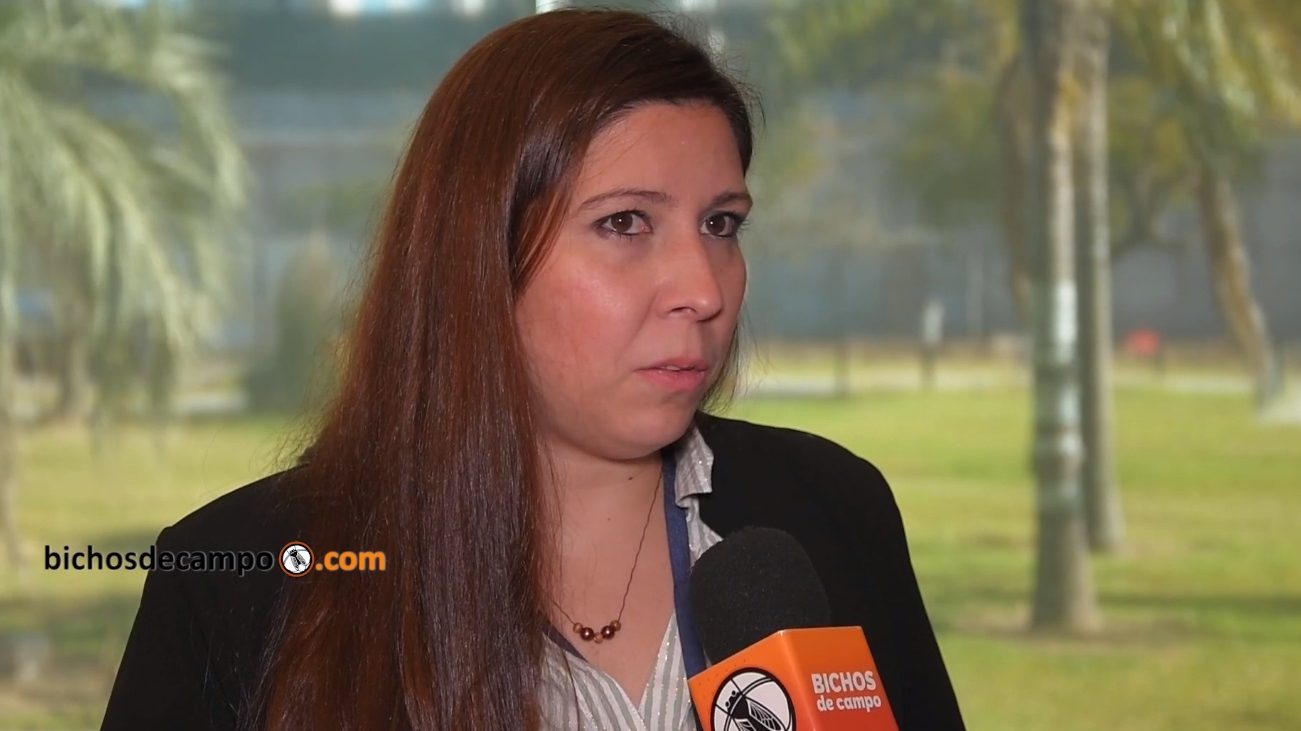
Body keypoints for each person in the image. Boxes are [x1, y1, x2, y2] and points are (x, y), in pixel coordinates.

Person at [101, 9, 964, 731]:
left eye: (721, 224)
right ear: (475, 256)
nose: (703, 290)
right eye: (625, 223)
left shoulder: (829, 511)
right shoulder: (240, 580)